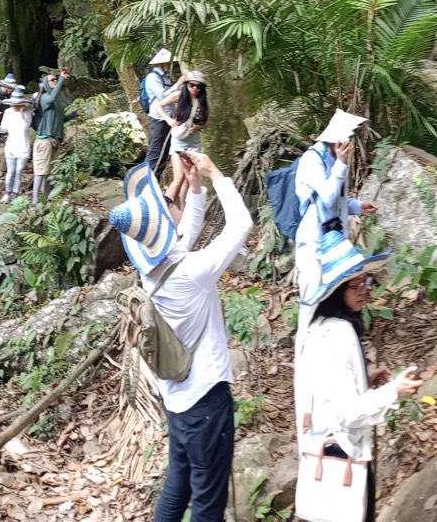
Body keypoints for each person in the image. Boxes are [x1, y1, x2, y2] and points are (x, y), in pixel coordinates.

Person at [108, 151, 253, 522]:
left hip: (176, 403)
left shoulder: (153, 271)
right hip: (206, 400)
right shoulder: (191, 272)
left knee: (179, 484)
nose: (176, 203)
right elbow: (241, 227)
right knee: (207, 500)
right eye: (171, 203)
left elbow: (184, 234)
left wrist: (195, 187)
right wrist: (217, 173)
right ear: (165, 224)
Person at [295, 231, 424, 522]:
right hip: (342, 461)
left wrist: (363, 377)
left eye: (366, 281)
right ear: (337, 291)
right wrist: (394, 391)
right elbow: (346, 412)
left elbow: (328, 387)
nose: (366, 289)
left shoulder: (320, 327)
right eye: (357, 284)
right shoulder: (337, 334)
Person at [294, 110, 378, 318]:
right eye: (347, 137)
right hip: (314, 246)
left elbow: (337, 202)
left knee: (332, 304)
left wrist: (358, 206)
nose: (349, 142)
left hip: (333, 245)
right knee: (311, 304)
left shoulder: (335, 161)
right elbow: (328, 197)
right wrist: (341, 164)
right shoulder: (312, 160)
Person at [157, 70, 208, 206]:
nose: (195, 88)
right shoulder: (179, 96)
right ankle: (165, 208)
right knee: (178, 178)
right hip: (179, 140)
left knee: (189, 178)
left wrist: (195, 127)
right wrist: (168, 119)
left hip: (194, 141)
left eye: (199, 86)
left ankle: (184, 211)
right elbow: (159, 105)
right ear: (187, 84)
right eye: (192, 85)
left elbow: (206, 122)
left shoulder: (201, 101)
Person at [32, 67, 78, 205]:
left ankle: (46, 199)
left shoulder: (57, 102)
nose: (55, 81)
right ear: (46, 84)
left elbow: (61, 119)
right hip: (44, 139)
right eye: (52, 80)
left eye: (56, 80)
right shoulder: (46, 98)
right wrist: (62, 79)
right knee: (40, 171)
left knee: (48, 172)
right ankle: (35, 200)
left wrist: (73, 114)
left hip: (54, 140)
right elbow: (52, 97)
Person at [144, 48, 177, 176]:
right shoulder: (152, 77)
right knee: (155, 152)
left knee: (164, 153)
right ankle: (147, 184)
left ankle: (155, 185)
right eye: (169, 62)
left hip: (168, 118)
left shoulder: (166, 77)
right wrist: (178, 85)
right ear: (163, 63)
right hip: (158, 119)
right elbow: (162, 96)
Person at [0, 86, 33, 203]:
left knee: (18, 172)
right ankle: (7, 193)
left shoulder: (28, 113)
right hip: (11, 146)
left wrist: (23, 113)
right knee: (10, 172)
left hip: (23, 147)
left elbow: (25, 127)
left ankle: (15, 194)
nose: (16, 106)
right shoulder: (8, 112)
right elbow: (4, 129)